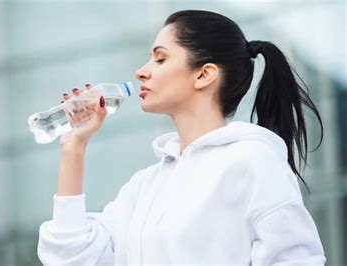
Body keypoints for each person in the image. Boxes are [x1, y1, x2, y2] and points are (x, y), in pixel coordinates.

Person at [37, 10, 326, 265]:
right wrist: (74, 146)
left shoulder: (252, 161)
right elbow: (70, 256)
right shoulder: (144, 187)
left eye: (160, 59)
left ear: (203, 75)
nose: (141, 72)